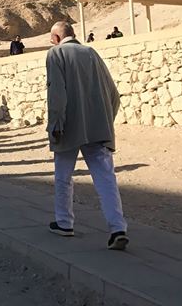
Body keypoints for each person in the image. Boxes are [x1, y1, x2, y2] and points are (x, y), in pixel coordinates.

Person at [46, 21, 128, 249]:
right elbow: (113, 94)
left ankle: (64, 222)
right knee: (106, 179)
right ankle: (117, 227)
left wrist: (56, 123)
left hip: (69, 127)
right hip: (97, 127)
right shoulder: (91, 52)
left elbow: (57, 93)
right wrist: (105, 122)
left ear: (55, 38)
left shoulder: (56, 54)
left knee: (63, 175)